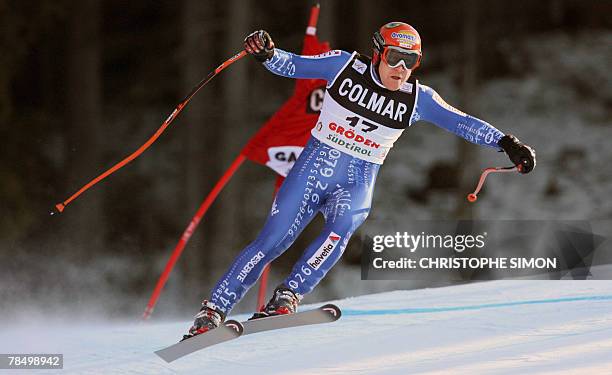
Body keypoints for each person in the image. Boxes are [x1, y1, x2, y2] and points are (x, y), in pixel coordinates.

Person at [184, 22, 536, 339]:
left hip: (356, 180)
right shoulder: (343, 65)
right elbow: (294, 65)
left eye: (410, 62)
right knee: (272, 240)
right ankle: (213, 310)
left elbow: (462, 122)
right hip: (312, 171)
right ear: (378, 52)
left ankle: (288, 295)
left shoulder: (418, 99)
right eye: (395, 57)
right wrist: (267, 52)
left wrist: (508, 143)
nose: (401, 69)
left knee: (344, 226)